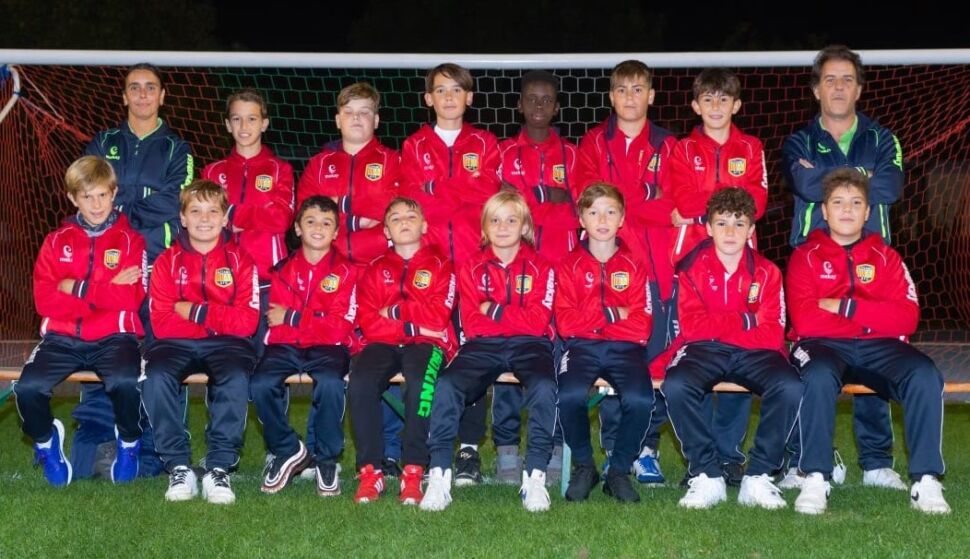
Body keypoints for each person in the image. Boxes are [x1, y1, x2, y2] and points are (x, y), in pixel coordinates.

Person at [787, 168, 949, 515]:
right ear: (824, 211)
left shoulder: (887, 257)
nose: (847, 209)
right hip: (822, 346)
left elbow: (907, 318)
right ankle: (815, 476)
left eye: (856, 203)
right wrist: (873, 319)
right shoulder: (805, 256)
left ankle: (926, 480)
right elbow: (805, 320)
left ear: (868, 212)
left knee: (924, 374)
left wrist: (844, 307)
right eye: (838, 202)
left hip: (877, 347)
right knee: (816, 375)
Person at [781, 45, 902, 490]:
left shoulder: (883, 139)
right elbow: (804, 183)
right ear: (816, 89)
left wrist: (830, 175)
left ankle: (876, 462)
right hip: (812, 263)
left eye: (847, 79)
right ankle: (808, 458)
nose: (838, 87)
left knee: (876, 352)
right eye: (829, 79)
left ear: (859, 89)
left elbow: (890, 187)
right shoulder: (798, 141)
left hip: (873, 262)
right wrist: (861, 176)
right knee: (811, 359)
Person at [74, 62, 194, 479]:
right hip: (108, 267)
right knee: (104, 349)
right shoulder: (103, 141)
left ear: (162, 96)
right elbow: (89, 193)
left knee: (162, 355)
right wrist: (140, 199)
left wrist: (122, 205)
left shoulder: (178, 149)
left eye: (151, 87)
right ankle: (98, 443)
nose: (143, 94)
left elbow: (176, 202)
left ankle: (161, 450)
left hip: (160, 266)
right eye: (135, 87)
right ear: (124, 95)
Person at [658, 187, 801, 510]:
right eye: (722, 223)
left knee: (790, 385)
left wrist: (720, 327)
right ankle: (707, 474)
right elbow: (693, 328)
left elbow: (771, 334)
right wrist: (746, 320)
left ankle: (758, 475)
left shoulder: (768, 272)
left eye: (739, 223)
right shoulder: (690, 268)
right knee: (677, 384)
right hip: (704, 350)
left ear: (751, 230)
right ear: (709, 228)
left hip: (755, 353)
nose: (730, 232)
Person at [421, 191, 557, 513]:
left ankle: (534, 477)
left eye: (511, 220)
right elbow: (472, 322)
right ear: (484, 228)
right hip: (482, 345)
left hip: (530, 345)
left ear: (525, 226)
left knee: (544, 386)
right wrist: (512, 317)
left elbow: (538, 322)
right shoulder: (471, 266)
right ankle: (439, 475)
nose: (503, 227)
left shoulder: (542, 266)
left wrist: (493, 310)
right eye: (495, 220)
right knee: (446, 385)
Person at [14, 156, 146, 487]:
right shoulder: (55, 241)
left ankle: (129, 442)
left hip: (115, 337)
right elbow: (45, 301)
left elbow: (130, 299)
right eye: (87, 197)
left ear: (114, 193)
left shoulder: (131, 241)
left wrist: (73, 287)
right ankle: (47, 443)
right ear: (73, 198)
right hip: (62, 338)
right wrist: (107, 290)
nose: (96, 204)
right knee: (28, 388)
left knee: (126, 382)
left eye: (102, 195)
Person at [666, 67, 770, 486]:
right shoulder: (682, 148)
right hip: (692, 258)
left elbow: (757, 201)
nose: (715, 106)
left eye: (723, 99)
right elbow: (680, 197)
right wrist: (730, 197)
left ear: (736, 105)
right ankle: (701, 459)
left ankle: (729, 455)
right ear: (695, 105)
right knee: (696, 353)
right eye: (707, 99)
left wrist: (703, 206)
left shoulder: (752, 146)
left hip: (740, 259)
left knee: (739, 348)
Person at [575, 59, 677, 484]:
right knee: (615, 360)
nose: (630, 97)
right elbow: (587, 199)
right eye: (621, 89)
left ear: (650, 95)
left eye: (638, 89)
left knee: (655, 364)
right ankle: (615, 445)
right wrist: (647, 199)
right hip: (607, 270)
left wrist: (622, 202)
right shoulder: (594, 142)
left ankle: (647, 449)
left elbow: (676, 205)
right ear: (611, 96)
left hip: (658, 268)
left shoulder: (669, 145)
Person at [399, 62, 501, 483]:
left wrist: (437, 188)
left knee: (473, 358)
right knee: (431, 361)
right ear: (428, 98)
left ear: (469, 97)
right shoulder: (413, 146)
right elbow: (413, 204)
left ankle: (469, 449)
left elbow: (488, 193)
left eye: (457, 90)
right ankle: (427, 446)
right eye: (440, 90)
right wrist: (461, 189)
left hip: (477, 270)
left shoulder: (486, 142)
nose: (448, 97)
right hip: (432, 273)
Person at [140, 180, 259, 504]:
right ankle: (178, 466)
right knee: (156, 377)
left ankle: (219, 467)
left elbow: (247, 322)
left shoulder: (242, 261)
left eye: (212, 211)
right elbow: (162, 323)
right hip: (175, 344)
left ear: (225, 218)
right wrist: (218, 321)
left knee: (234, 377)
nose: (204, 219)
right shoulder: (165, 261)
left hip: (228, 345)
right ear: (182, 217)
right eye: (195, 211)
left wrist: (194, 311)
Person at [492, 69, 578, 483]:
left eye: (547, 99)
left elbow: (581, 210)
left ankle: (554, 445)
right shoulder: (503, 153)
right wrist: (548, 197)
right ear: (520, 105)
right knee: (508, 353)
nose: (539, 105)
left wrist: (531, 200)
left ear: (557, 107)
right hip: (513, 269)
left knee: (558, 362)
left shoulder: (574, 155)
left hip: (563, 272)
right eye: (532, 98)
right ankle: (507, 448)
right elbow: (504, 210)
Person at [349, 197, 457, 505]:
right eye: (395, 218)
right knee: (360, 383)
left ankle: (413, 470)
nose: (404, 222)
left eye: (411, 216)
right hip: (383, 343)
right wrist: (412, 325)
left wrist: (395, 312)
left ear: (424, 226)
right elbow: (369, 322)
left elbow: (438, 318)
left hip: (428, 344)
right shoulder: (375, 269)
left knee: (420, 384)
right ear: (386, 231)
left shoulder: (442, 265)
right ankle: (370, 471)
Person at [250, 196, 358, 497]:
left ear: (336, 232)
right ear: (297, 228)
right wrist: (315, 318)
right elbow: (276, 321)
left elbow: (339, 326)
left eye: (326, 223)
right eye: (310, 221)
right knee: (259, 384)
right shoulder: (281, 269)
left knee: (331, 384)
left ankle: (326, 459)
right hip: (284, 345)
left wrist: (294, 316)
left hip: (328, 347)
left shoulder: (347, 271)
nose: (318, 228)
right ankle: (289, 449)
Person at [556, 182, 653, 503]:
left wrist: (591, 317)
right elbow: (565, 323)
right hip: (581, 348)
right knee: (569, 395)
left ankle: (618, 471)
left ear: (621, 219)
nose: (602, 219)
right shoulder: (568, 265)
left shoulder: (635, 265)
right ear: (581, 220)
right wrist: (614, 313)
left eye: (610, 212)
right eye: (594, 212)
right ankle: (585, 466)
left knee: (641, 399)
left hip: (626, 348)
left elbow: (642, 324)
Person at [202, 88, 294, 353]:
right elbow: (204, 222)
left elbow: (280, 219)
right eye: (237, 119)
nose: (244, 126)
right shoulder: (212, 172)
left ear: (264, 123)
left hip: (268, 280)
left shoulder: (280, 169)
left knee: (268, 361)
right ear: (227, 124)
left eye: (252, 119)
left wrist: (231, 213)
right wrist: (258, 214)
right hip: (223, 282)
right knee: (227, 362)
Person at [297, 82, 400, 266]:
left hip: (381, 265)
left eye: (364, 112)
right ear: (338, 120)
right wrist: (356, 221)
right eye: (348, 112)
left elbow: (393, 207)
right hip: (329, 264)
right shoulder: (318, 165)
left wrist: (341, 203)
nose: (356, 117)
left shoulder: (393, 160)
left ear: (376, 120)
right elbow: (306, 214)